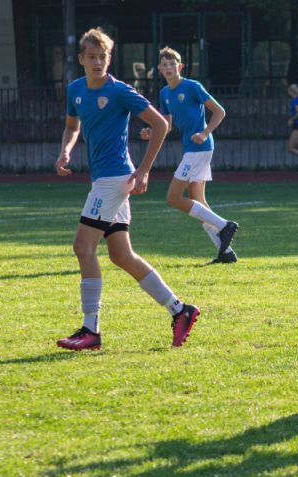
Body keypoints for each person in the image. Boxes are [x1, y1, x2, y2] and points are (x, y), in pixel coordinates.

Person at [54, 28, 199, 351]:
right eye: (91, 57)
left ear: (109, 58)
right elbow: (71, 126)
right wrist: (66, 150)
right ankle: (180, 310)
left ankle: (90, 330)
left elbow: (161, 124)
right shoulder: (76, 90)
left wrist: (144, 170)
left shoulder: (120, 91)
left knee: (83, 247)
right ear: (81, 59)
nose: (97, 62)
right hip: (103, 180)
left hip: (115, 179)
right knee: (120, 254)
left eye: (102, 57)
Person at [140, 46, 238, 264]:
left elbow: (220, 111)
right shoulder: (165, 93)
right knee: (198, 201)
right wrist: (152, 131)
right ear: (159, 69)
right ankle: (225, 252)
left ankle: (224, 225)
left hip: (200, 148)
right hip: (192, 149)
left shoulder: (193, 86)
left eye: (172, 64)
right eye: (164, 65)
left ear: (180, 66)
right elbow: (166, 124)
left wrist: (205, 132)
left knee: (173, 198)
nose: (168, 68)